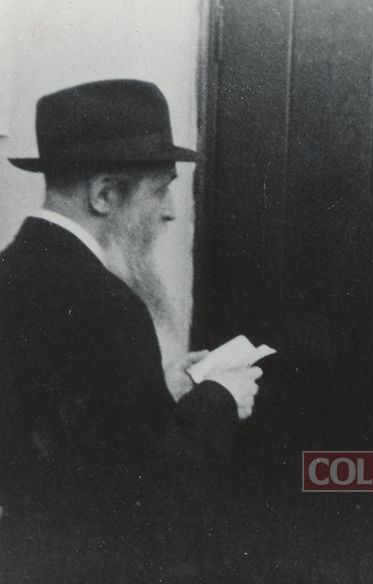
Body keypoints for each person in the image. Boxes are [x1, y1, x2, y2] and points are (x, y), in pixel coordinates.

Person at [0, 80, 262, 583]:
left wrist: (160, 384)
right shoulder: (106, 304)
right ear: (104, 194)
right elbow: (148, 497)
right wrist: (220, 399)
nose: (170, 210)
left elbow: (74, 428)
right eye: (160, 189)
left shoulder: (11, 270)